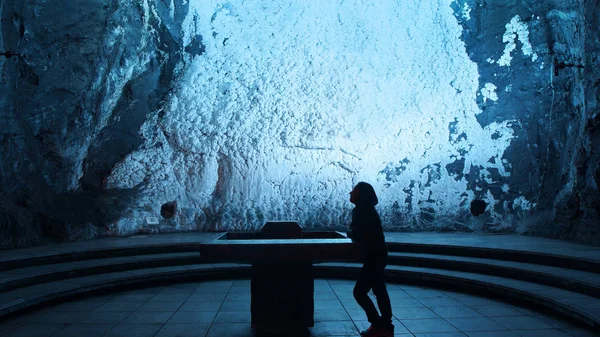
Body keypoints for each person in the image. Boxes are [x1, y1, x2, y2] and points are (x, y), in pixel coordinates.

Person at [346, 182, 394, 337]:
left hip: (375, 256)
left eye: (354, 191)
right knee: (380, 290)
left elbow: (362, 234)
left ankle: (378, 324)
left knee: (359, 292)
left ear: (361, 195)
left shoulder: (364, 212)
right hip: (377, 254)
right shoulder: (364, 210)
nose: (350, 193)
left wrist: (351, 233)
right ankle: (386, 325)